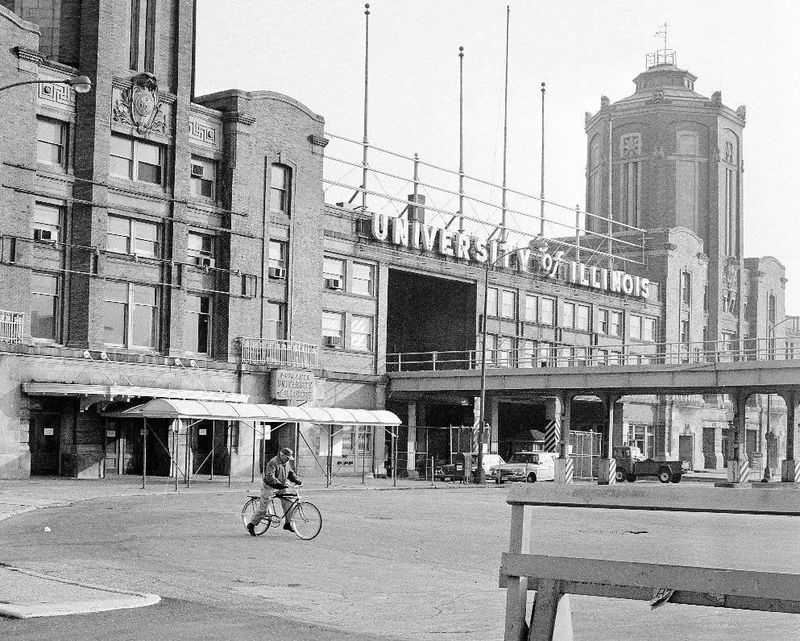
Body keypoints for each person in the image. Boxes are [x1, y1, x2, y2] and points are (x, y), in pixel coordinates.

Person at [247, 447, 302, 536]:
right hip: (269, 487)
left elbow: (290, 473)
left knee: (289, 503)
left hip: (280, 486)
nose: (288, 460)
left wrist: (296, 480)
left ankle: (288, 524)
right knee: (263, 509)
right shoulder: (273, 462)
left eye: (289, 458)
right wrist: (279, 484)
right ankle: (252, 524)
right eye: (287, 458)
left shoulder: (286, 463)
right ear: (282, 455)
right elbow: (270, 476)